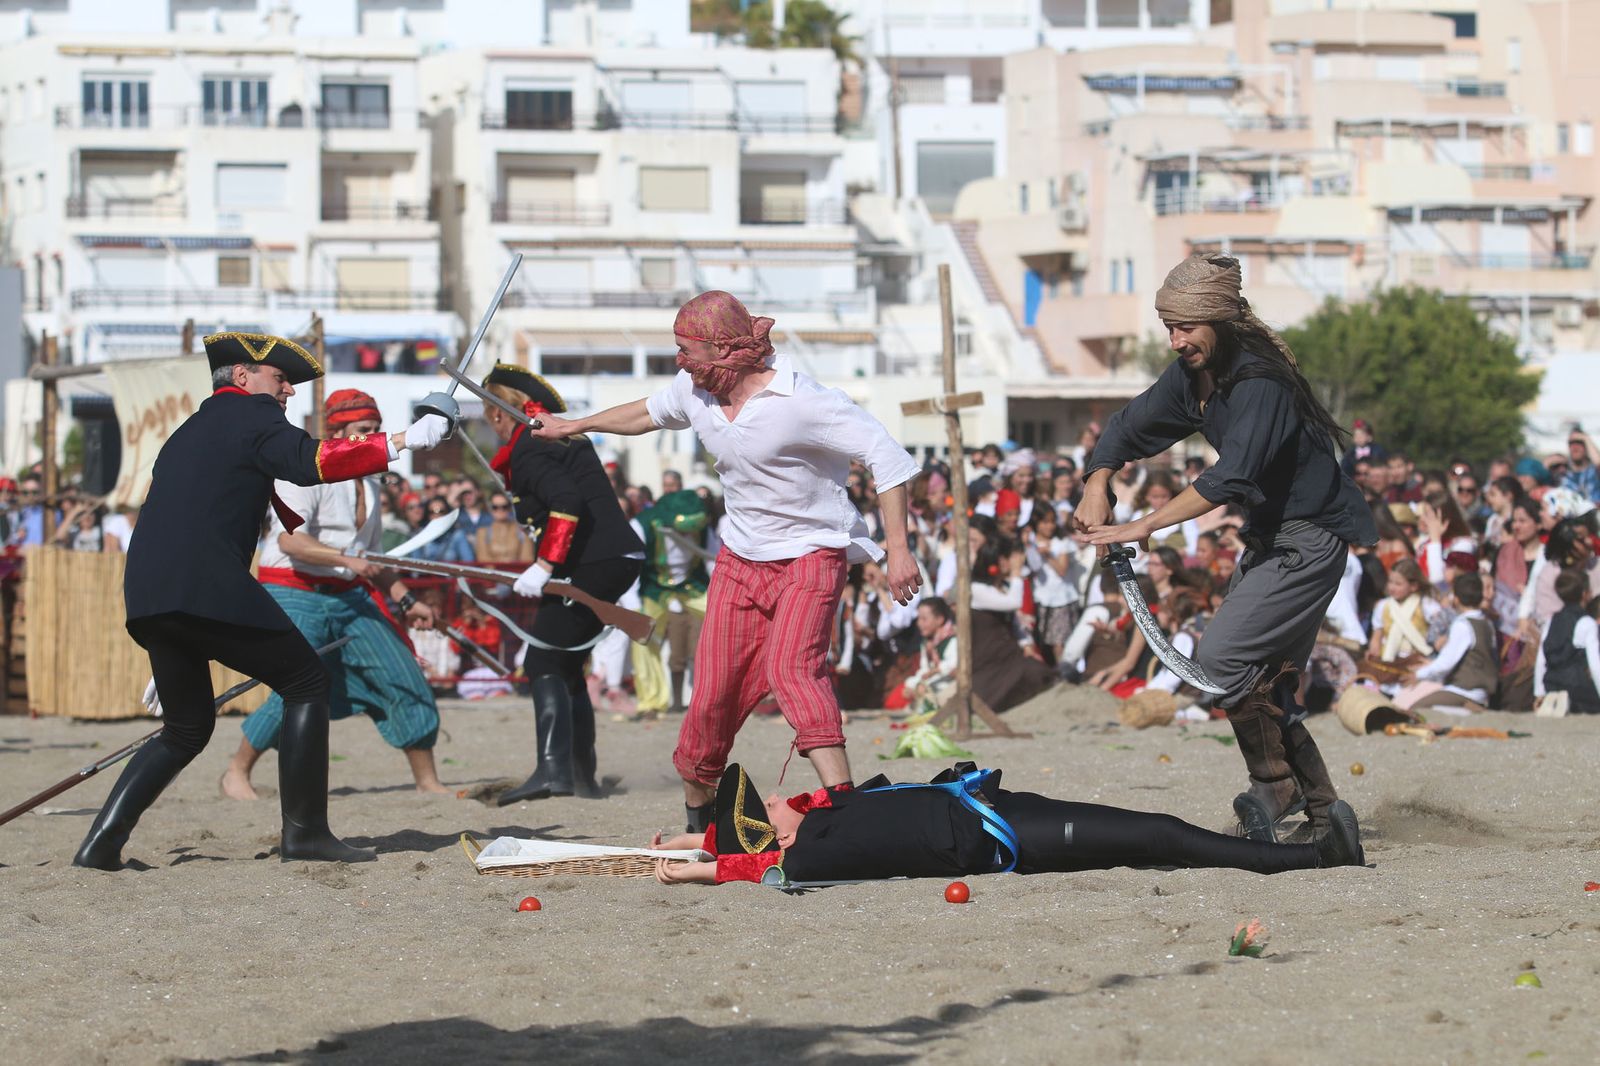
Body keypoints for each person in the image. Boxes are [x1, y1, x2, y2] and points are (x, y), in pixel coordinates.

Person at [528, 291, 921, 831]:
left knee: (792, 669)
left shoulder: (803, 400)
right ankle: (699, 819)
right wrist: (572, 426)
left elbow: (889, 457)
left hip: (811, 553)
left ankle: (848, 809)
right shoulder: (694, 390)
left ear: (723, 348)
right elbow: (645, 413)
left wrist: (898, 549)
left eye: (687, 349)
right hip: (739, 560)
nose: (680, 360)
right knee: (711, 696)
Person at [72, 332, 447, 870]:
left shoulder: (190, 430)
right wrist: (407, 439)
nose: (289, 391)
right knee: (307, 683)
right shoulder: (253, 415)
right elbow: (311, 460)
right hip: (205, 588)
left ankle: (100, 847)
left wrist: (178, 635)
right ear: (244, 377)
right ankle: (307, 835)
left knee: (185, 729)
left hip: (153, 595)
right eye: (281, 378)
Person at [1076, 252, 1377, 844]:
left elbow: (1232, 476)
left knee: (1220, 661)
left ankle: (1275, 783)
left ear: (1219, 320)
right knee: (1265, 680)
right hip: (1269, 539)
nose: (1176, 341)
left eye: (1186, 327)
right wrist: (1096, 481)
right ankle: (1325, 818)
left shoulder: (1262, 381)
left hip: (1309, 539)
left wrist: (1145, 525)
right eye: (1169, 328)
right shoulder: (1193, 374)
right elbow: (1126, 428)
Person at [221, 388, 450, 802]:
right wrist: (347, 558)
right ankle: (237, 771)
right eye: (364, 428)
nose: (372, 435)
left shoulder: (373, 484)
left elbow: (373, 560)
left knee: (403, 674)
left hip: (349, 594)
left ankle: (428, 781)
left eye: (376, 428)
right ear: (338, 433)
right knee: (297, 685)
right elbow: (290, 542)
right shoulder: (303, 471)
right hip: (293, 588)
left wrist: (406, 600)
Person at [648, 762, 1364, 887]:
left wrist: (690, 841)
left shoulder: (824, 812)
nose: (781, 796)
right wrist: (697, 872)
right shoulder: (811, 854)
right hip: (1008, 840)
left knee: (1155, 832)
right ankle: (1315, 859)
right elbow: (758, 866)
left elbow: (742, 844)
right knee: (1155, 835)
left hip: (999, 803)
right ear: (774, 835)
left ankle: (1262, 849)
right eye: (770, 806)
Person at [482, 364, 644, 805]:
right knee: (566, 665)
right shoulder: (557, 440)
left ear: (499, 413)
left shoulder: (529, 446)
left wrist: (544, 564)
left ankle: (555, 771)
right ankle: (579, 775)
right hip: (607, 559)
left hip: (592, 561)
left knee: (543, 661)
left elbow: (566, 502)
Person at [631, 489, 711, 717]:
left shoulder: (702, 528)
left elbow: (713, 561)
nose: (690, 534)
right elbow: (629, 565)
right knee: (641, 636)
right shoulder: (642, 525)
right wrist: (632, 605)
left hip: (692, 585)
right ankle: (651, 701)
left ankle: (727, 697)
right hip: (654, 588)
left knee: (727, 622)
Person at [1407, 573, 1497, 708]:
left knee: (1416, 710)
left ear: (1456, 599)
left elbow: (1446, 662)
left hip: (1463, 690)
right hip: (1481, 692)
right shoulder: (1487, 624)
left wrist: (1418, 675)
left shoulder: (1463, 625)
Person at [1534, 569, 1600, 715]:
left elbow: (1541, 658)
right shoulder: (1586, 622)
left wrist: (1539, 693)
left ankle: (1557, 700)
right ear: (1585, 594)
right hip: (1577, 686)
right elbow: (1595, 665)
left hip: (1551, 684)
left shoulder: (1552, 620)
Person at [473, 491, 535, 564]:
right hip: (492, 571)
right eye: (495, 507)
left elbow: (527, 559)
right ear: (490, 509)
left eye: (504, 507)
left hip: (516, 571)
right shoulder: (482, 533)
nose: (500, 510)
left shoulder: (523, 532)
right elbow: (483, 559)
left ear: (510, 507)